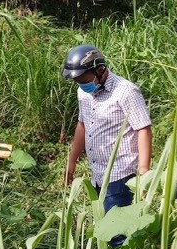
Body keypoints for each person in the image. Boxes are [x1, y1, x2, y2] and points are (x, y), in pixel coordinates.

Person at [62, 44, 153, 217]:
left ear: (100, 69)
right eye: (78, 82)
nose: (82, 85)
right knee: (104, 221)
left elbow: (143, 129)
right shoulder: (83, 92)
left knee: (117, 231)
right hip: (98, 173)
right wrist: (71, 161)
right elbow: (82, 125)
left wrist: (144, 169)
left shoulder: (126, 91)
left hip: (121, 173)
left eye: (85, 81)